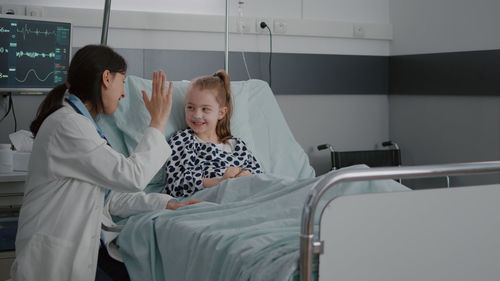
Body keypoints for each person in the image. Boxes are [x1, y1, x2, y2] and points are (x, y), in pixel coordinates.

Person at [11, 45, 199, 281]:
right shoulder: (68, 126)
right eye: (123, 82)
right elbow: (131, 176)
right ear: (107, 78)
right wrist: (158, 122)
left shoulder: (83, 126)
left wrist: (166, 203)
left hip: (89, 250)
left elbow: (110, 197)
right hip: (54, 259)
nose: (123, 93)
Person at [163, 70, 262, 198]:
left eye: (205, 109)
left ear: (221, 113)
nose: (197, 115)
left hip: (244, 198)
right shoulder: (182, 140)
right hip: (208, 200)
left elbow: (259, 176)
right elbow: (176, 184)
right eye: (190, 107)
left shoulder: (238, 146)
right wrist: (221, 182)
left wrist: (246, 175)